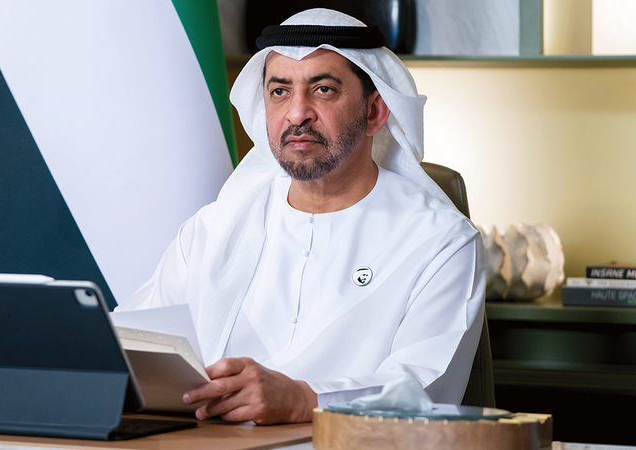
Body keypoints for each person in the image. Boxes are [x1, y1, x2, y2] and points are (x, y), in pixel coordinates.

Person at [116, 8, 485, 425]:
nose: (296, 114)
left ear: (374, 112)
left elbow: (423, 388)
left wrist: (302, 400)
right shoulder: (213, 228)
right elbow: (131, 345)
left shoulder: (440, 240)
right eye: (279, 91)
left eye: (323, 89)